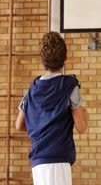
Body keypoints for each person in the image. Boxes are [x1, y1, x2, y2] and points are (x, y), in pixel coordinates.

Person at [15, 31, 89, 185]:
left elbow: (19, 125)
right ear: (65, 58)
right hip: (58, 158)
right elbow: (82, 127)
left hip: (38, 161)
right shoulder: (69, 85)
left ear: (42, 60)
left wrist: (41, 125)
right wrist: (84, 113)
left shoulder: (33, 89)